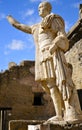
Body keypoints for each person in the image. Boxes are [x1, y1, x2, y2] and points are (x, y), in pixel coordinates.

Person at [7, 1, 82, 122]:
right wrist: (10, 19)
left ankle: (70, 111)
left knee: (60, 81)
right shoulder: (35, 27)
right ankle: (60, 113)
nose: (39, 9)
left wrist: (54, 45)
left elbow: (62, 35)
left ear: (48, 8)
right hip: (42, 57)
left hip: (52, 53)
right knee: (50, 85)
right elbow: (19, 25)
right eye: (38, 8)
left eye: (41, 7)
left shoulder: (53, 19)